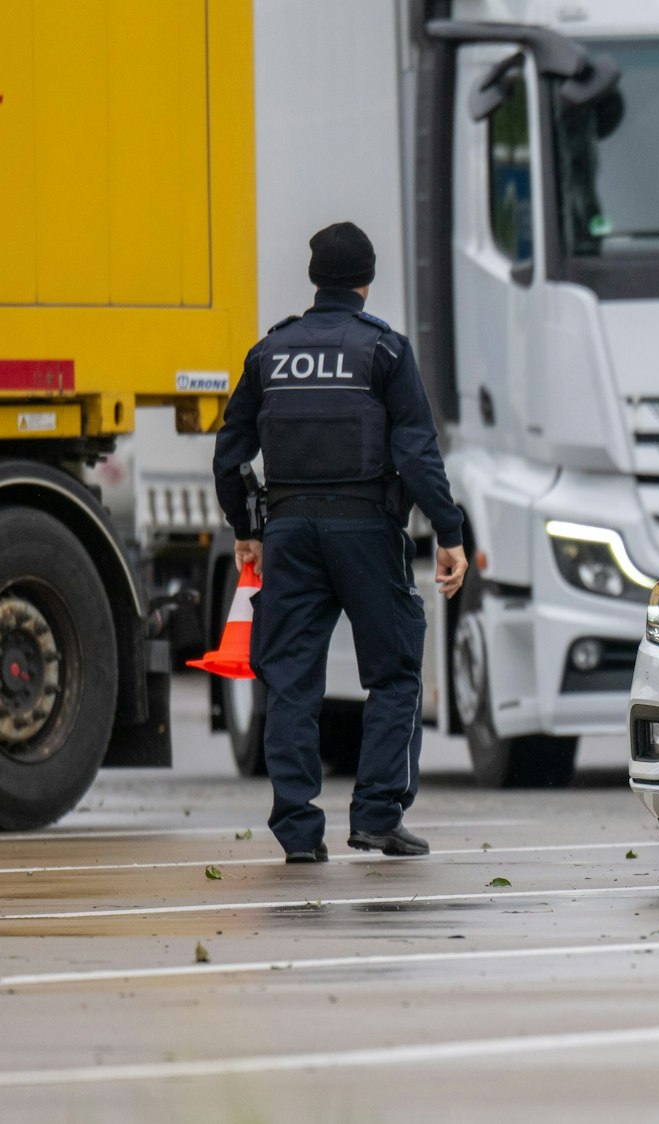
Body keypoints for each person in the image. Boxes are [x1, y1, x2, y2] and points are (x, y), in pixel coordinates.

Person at [212, 222, 469, 864]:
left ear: (314, 278)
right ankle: (378, 816)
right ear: (366, 280)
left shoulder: (269, 353)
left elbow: (230, 453)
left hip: (290, 533)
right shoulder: (384, 351)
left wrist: (246, 528)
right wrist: (449, 530)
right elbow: (417, 452)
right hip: (366, 532)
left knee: (292, 682)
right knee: (395, 672)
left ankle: (299, 832)